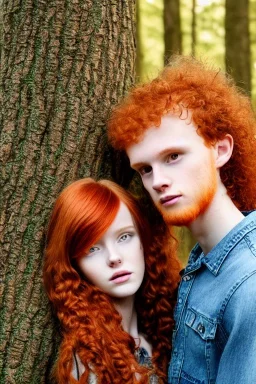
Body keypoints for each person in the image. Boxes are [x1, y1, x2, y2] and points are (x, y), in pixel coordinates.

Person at [107, 55, 256, 384]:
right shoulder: (207, 259)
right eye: (145, 169)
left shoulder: (249, 284)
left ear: (220, 150)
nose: (157, 181)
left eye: (173, 157)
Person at [43, 178, 180, 383]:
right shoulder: (87, 364)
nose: (114, 257)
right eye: (92, 248)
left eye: (124, 237)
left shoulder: (167, 333)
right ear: (74, 265)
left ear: (143, 239)